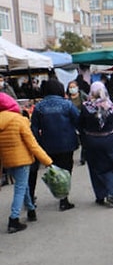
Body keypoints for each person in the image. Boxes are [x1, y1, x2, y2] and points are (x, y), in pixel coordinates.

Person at [0, 92, 53, 233]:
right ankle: (14, 219)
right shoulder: (19, 120)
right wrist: (47, 161)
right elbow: (32, 144)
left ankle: (31, 210)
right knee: (20, 189)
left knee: (23, 187)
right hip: (22, 160)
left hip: (7, 161)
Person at [30, 78, 80, 211]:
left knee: (54, 170)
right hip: (67, 143)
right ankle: (64, 199)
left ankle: (58, 192)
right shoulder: (67, 105)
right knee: (66, 170)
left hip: (48, 145)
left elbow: (34, 128)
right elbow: (78, 121)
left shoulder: (39, 107)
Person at [78, 81, 113, 208]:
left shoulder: (86, 106)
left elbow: (80, 123)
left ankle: (100, 195)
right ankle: (112, 193)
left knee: (95, 167)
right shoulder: (111, 106)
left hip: (91, 140)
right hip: (107, 140)